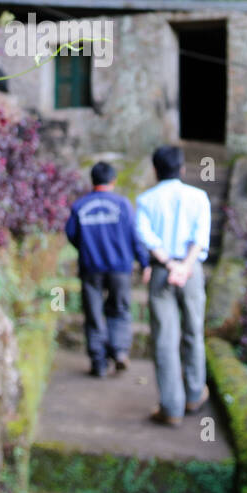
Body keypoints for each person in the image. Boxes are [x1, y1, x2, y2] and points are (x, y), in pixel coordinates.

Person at [135, 144, 211, 427]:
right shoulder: (199, 197)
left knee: (165, 340)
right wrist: (186, 266)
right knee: (194, 331)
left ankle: (171, 407)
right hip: (191, 272)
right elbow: (200, 237)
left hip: (162, 272)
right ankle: (194, 394)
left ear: (155, 170)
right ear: (182, 169)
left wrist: (169, 265)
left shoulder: (146, 200)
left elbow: (146, 236)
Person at [65, 161, 150, 377]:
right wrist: (144, 262)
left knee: (93, 313)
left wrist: (86, 249)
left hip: (90, 268)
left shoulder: (80, 206)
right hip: (119, 268)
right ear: (113, 180)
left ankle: (98, 362)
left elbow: (72, 234)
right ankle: (120, 351)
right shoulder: (122, 205)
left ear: (92, 181)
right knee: (120, 309)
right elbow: (134, 236)